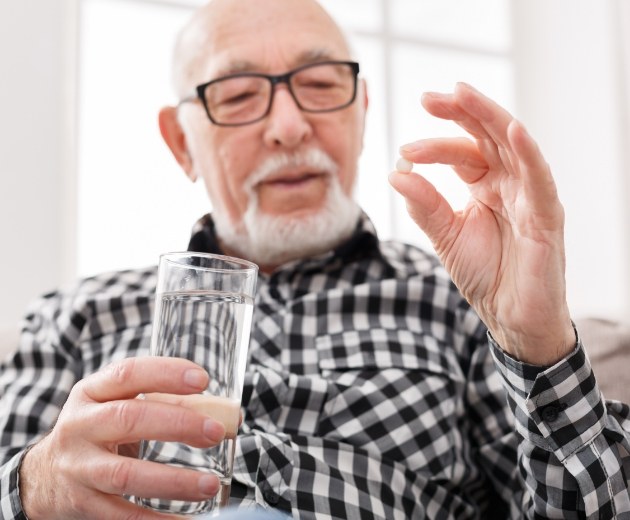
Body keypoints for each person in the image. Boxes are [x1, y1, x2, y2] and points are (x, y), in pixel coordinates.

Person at [0, 0, 628, 518]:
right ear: (180, 141)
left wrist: (537, 339)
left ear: (361, 112)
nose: (290, 126)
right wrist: (37, 485)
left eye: (322, 84)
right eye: (240, 95)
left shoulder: (460, 301)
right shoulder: (73, 317)